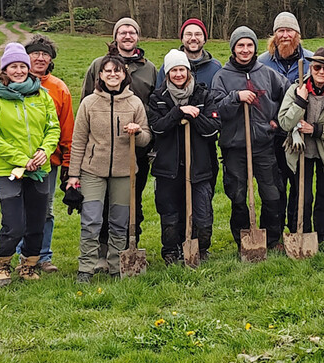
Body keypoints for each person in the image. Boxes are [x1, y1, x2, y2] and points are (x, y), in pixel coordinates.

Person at [0, 43, 61, 287]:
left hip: (39, 170)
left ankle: (28, 264)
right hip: (9, 171)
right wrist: (21, 159)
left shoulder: (41, 95)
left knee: (37, 221)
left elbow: (52, 127)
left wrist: (44, 152)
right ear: (5, 69)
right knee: (14, 224)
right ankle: (2, 263)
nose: (19, 70)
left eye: (22, 66)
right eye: (13, 66)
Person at [65, 55, 150, 282]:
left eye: (117, 71)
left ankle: (116, 267)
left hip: (124, 172)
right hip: (93, 171)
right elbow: (79, 140)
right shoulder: (89, 103)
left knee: (120, 222)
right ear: (100, 75)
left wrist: (138, 132)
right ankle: (86, 268)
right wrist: (73, 175)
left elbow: (146, 139)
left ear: (125, 75)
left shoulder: (135, 103)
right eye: (108, 71)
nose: (113, 75)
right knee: (91, 220)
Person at [81, 17, 156, 255]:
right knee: (102, 204)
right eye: (122, 32)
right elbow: (85, 102)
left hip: (136, 149)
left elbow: (154, 107)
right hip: (102, 150)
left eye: (132, 32)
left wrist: (150, 142)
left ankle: (128, 245)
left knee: (133, 200)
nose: (127, 36)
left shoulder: (149, 69)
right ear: (116, 36)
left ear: (138, 37)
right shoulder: (98, 65)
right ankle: (103, 248)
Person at [212, 27, 290, 251]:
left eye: (249, 45)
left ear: (255, 47)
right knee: (237, 196)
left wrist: (277, 119)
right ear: (233, 49)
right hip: (235, 147)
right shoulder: (222, 76)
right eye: (240, 46)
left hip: (263, 145)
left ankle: (271, 239)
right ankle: (244, 241)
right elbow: (216, 109)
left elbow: (287, 93)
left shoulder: (266, 73)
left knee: (272, 194)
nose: (245, 50)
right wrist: (235, 97)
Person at [148, 49, 223, 264]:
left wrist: (194, 116)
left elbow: (212, 129)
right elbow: (158, 128)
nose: (178, 74)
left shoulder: (203, 95)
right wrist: (179, 112)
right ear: (168, 72)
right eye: (173, 70)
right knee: (170, 213)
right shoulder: (158, 98)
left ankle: (201, 248)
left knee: (202, 213)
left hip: (199, 166)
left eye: (182, 69)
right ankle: (172, 250)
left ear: (188, 71)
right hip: (168, 168)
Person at [10, 35, 74, 274]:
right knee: (19, 209)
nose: (40, 58)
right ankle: (21, 255)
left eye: (45, 54)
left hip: (48, 161)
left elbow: (66, 127)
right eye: (35, 53)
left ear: (51, 60)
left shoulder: (58, 89)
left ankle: (42, 255)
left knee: (44, 209)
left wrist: (67, 162)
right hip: (15, 160)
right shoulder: (10, 86)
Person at [278, 48, 324, 243]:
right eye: (317, 67)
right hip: (300, 150)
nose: (321, 72)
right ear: (311, 67)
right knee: (303, 195)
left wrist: (316, 130)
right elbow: (284, 122)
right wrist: (300, 102)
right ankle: (300, 232)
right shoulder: (296, 90)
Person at [259, 12, 313, 233]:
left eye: (289, 30)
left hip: (301, 134)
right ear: (274, 35)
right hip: (274, 135)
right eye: (280, 31)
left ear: (297, 34)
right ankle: (274, 232)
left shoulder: (310, 61)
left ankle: (299, 228)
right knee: (275, 186)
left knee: (301, 186)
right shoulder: (262, 63)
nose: (285, 35)